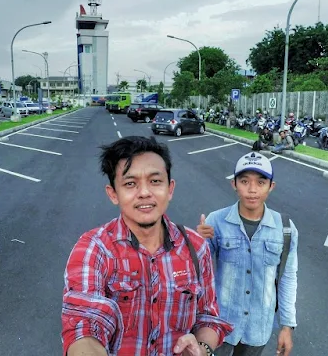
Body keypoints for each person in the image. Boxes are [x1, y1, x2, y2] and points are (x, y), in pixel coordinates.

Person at [62, 136, 232, 356]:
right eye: (130, 183)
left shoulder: (196, 247)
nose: (144, 192)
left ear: (170, 188)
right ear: (113, 193)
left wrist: (202, 349)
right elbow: (83, 326)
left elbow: (208, 317)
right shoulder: (94, 249)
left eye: (155, 181)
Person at [197, 152, 298, 356]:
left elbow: (287, 278)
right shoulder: (216, 220)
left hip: (258, 327)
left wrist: (287, 326)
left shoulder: (285, 228)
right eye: (244, 181)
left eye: (260, 182)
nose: (252, 190)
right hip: (220, 325)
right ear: (234, 184)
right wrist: (197, 241)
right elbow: (199, 273)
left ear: (271, 186)